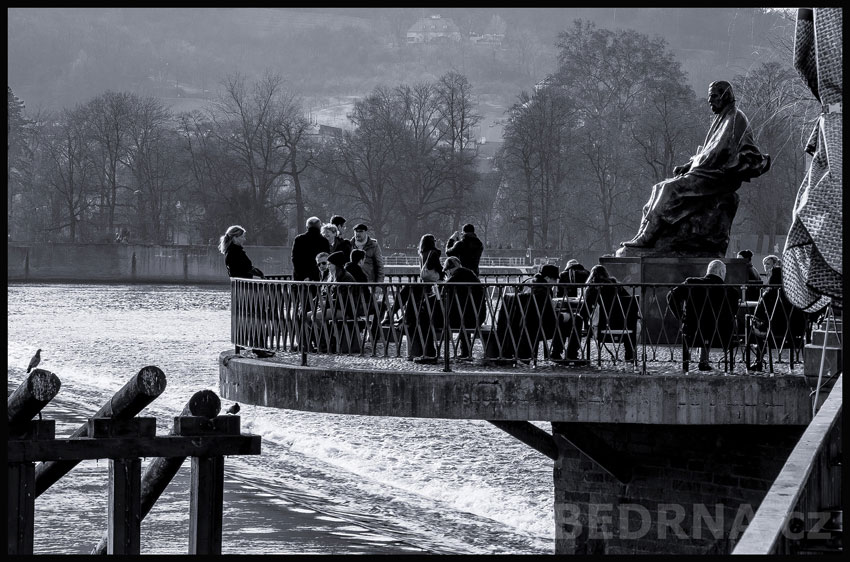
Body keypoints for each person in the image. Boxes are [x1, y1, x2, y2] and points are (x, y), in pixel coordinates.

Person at [620, 81, 771, 249]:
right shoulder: (722, 118)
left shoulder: (736, 118)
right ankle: (645, 233)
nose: (709, 101)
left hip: (716, 176)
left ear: (725, 96)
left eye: (714, 96)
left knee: (669, 189)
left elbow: (743, 151)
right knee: (658, 187)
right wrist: (688, 165)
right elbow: (707, 151)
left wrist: (726, 166)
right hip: (704, 171)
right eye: (709, 96)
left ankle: (648, 237)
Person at [666, 260, 741, 371]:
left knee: (704, 324)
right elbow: (733, 313)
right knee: (712, 324)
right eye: (724, 273)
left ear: (708, 271)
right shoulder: (731, 291)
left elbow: (671, 296)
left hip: (693, 331)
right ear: (721, 272)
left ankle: (701, 361)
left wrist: (681, 316)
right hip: (721, 335)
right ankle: (719, 364)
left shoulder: (691, 282)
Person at [748, 266, 807, 371]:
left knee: (754, 325)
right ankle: (802, 364)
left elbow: (759, 314)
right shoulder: (795, 294)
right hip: (793, 332)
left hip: (772, 332)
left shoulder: (767, 295)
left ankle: (759, 359)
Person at [580, 265, 638, 362]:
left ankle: (580, 355)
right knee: (629, 321)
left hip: (602, 326)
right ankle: (630, 355)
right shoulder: (617, 286)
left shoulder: (592, 289)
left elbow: (584, 312)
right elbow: (629, 302)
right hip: (623, 325)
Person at [442, 256, 486, 361]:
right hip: (478, 316)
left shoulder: (457, 275)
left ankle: (444, 355)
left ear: (450, 269)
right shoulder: (469, 273)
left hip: (467, 318)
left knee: (448, 319)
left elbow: (445, 289)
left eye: (447, 272)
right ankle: (465, 352)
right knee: (462, 313)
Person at [404, 251, 445, 364]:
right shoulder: (444, 278)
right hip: (453, 313)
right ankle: (428, 353)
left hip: (450, 315)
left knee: (424, 320)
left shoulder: (428, 273)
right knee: (424, 318)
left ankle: (429, 354)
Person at [292, 217, 330, 281]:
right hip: (317, 276)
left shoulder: (299, 239)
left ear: (307, 227)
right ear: (320, 227)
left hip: (300, 278)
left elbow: (295, 259)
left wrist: (303, 275)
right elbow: (326, 258)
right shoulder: (324, 241)